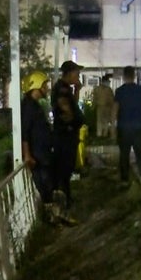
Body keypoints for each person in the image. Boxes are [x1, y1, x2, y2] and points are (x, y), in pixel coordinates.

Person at [21, 71, 60, 224]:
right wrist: (28, 155)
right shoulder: (29, 107)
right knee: (44, 186)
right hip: (37, 156)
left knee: (48, 184)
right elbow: (25, 133)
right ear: (37, 86)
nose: (47, 89)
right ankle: (49, 217)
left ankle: (51, 215)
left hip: (42, 153)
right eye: (45, 85)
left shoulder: (34, 105)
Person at [51, 60, 85, 213]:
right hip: (65, 135)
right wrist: (74, 122)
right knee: (64, 169)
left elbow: (72, 106)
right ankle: (63, 203)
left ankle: (67, 198)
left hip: (68, 134)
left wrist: (77, 90)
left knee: (67, 168)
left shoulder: (66, 89)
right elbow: (67, 111)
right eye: (77, 73)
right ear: (70, 73)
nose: (78, 76)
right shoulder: (61, 90)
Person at [114, 66, 141, 185]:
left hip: (124, 127)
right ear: (134, 75)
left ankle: (125, 179)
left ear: (124, 76)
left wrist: (112, 127)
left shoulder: (119, 91)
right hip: (139, 126)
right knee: (140, 152)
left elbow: (115, 110)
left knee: (124, 154)